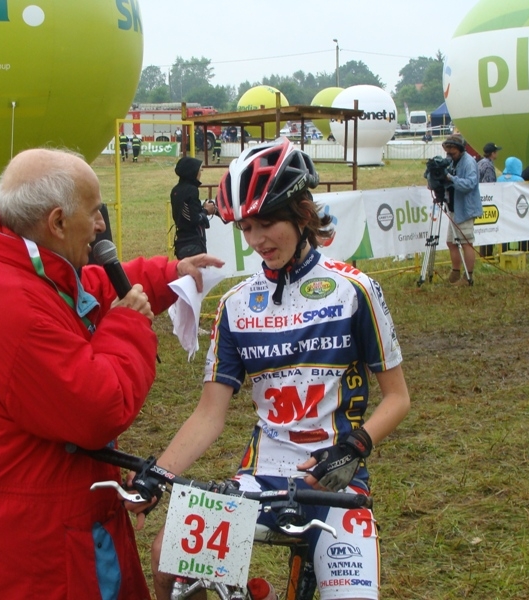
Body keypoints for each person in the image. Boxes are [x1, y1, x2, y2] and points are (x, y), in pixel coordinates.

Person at [0, 147, 223, 600]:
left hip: (58, 509)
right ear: (57, 223)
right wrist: (129, 324)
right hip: (44, 541)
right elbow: (100, 408)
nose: (100, 226)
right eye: (94, 212)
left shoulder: (26, 268)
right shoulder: (14, 305)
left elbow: (88, 290)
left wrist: (167, 274)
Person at [148, 138, 411, 600]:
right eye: (246, 227)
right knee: (167, 559)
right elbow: (209, 414)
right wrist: (159, 475)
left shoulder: (355, 290)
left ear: (302, 213)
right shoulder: (235, 304)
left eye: (267, 223)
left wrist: (353, 449)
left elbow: (398, 397)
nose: (256, 240)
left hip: (334, 476)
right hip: (261, 476)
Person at [440, 133, 482, 285]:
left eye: (453, 152)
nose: (450, 155)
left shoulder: (469, 162)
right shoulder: (452, 161)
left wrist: (451, 178)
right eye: (448, 151)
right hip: (454, 208)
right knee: (451, 242)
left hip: (465, 209)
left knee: (466, 243)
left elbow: (470, 184)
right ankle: (455, 272)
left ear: (460, 149)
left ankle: (468, 276)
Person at [170, 155, 216, 259]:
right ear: (192, 172)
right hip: (192, 243)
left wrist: (201, 209)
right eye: (199, 170)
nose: (200, 173)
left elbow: (185, 214)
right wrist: (206, 211)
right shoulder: (191, 190)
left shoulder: (175, 190)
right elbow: (194, 219)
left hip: (181, 242)